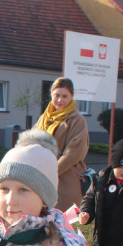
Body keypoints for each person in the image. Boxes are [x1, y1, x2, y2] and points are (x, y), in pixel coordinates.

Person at [38, 77, 90, 210]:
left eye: (65, 96)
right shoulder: (45, 117)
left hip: (65, 179)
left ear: (71, 96)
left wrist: (52, 171)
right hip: (42, 176)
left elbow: (73, 152)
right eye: (57, 95)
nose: (60, 100)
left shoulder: (77, 120)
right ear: (51, 95)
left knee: (63, 222)